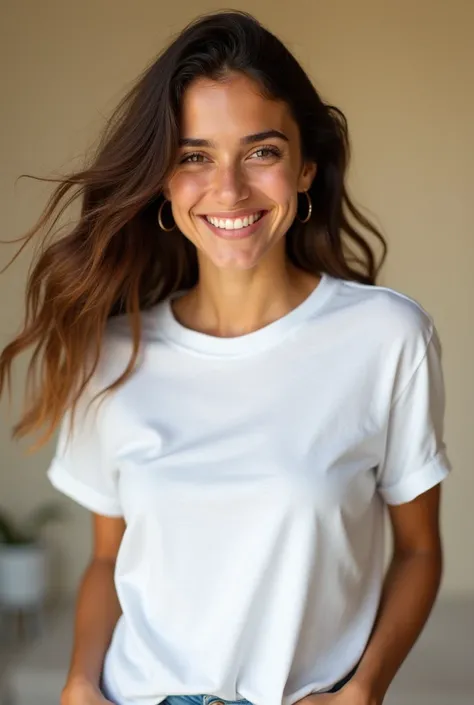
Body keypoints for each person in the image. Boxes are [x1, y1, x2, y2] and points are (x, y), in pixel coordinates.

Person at [0, 9, 451, 705]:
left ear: (306, 167)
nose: (230, 189)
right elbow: (107, 559)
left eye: (261, 152)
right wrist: (80, 681)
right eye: (194, 156)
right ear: (162, 180)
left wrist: (363, 689)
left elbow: (419, 549)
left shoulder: (387, 337)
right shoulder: (114, 355)